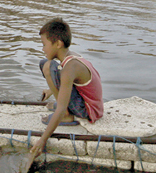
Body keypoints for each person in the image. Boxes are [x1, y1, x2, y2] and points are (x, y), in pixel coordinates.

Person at [29, 18, 104, 160]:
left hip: (88, 110)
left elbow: (62, 105)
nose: (43, 49)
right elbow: (73, 82)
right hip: (91, 105)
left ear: (58, 43)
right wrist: (51, 90)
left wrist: (42, 140)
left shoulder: (70, 67)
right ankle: (63, 106)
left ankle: (67, 116)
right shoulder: (72, 57)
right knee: (45, 63)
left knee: (48, 66)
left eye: (44, 45)